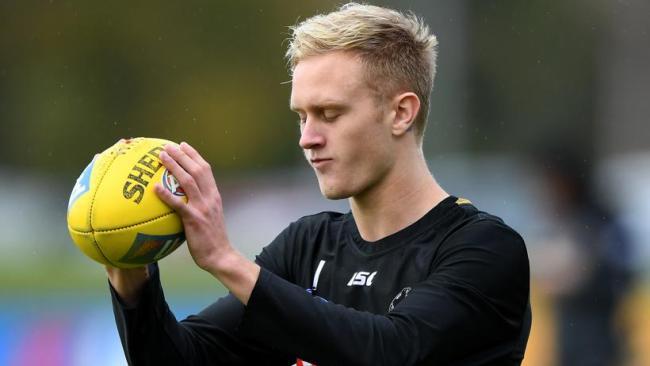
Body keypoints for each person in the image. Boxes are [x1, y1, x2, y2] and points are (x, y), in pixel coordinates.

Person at [107, 3, 531, 365]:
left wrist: (225, 259)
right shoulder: (306, 248)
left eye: (329, 113)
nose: (307, 138)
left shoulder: (484, 249)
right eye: (301, 116)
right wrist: (130, 269)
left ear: (401, 113)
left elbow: (392, 352)